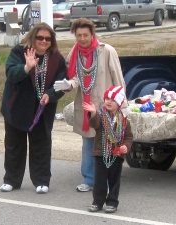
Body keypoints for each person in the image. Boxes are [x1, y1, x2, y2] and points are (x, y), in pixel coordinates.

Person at [54, 18, 127, 192]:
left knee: (107, 144)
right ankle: (89, 179)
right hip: (86, 107)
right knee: (88, 143)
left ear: (92, 34)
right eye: (78, 35)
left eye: (85, 35)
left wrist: (122, 106)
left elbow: (118, 80)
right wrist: (69, 85)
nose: (82, 39)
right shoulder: (75, 53)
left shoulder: (106, 51)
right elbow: (75, 78)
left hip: (106, 107)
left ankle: (107, 182)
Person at [0, 22, 67, 194]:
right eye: (40, 38)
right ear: (33, 38)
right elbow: (11, 74)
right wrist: (27, 67)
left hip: (42, 110)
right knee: (14, 145)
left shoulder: (56, 58)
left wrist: (50, 94)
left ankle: (41, 180)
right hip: (17, 107)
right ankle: (11, 180)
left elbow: (62, 84)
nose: (43, 41)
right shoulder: (19, 52)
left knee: (41, 146)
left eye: (48, 39)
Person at [82, 86, 133, 213]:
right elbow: (94, 124)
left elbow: (129, 136)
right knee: (100, 179)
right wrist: (93, 113)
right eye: (107, 99)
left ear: (119, 103)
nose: (109, 102)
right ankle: (97, 202)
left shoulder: (124, 120)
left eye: (113, 100)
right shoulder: (100, 116)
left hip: (116, 154)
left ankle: (112, 202)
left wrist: (125, 146)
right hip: (101, 153)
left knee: (114, 179)